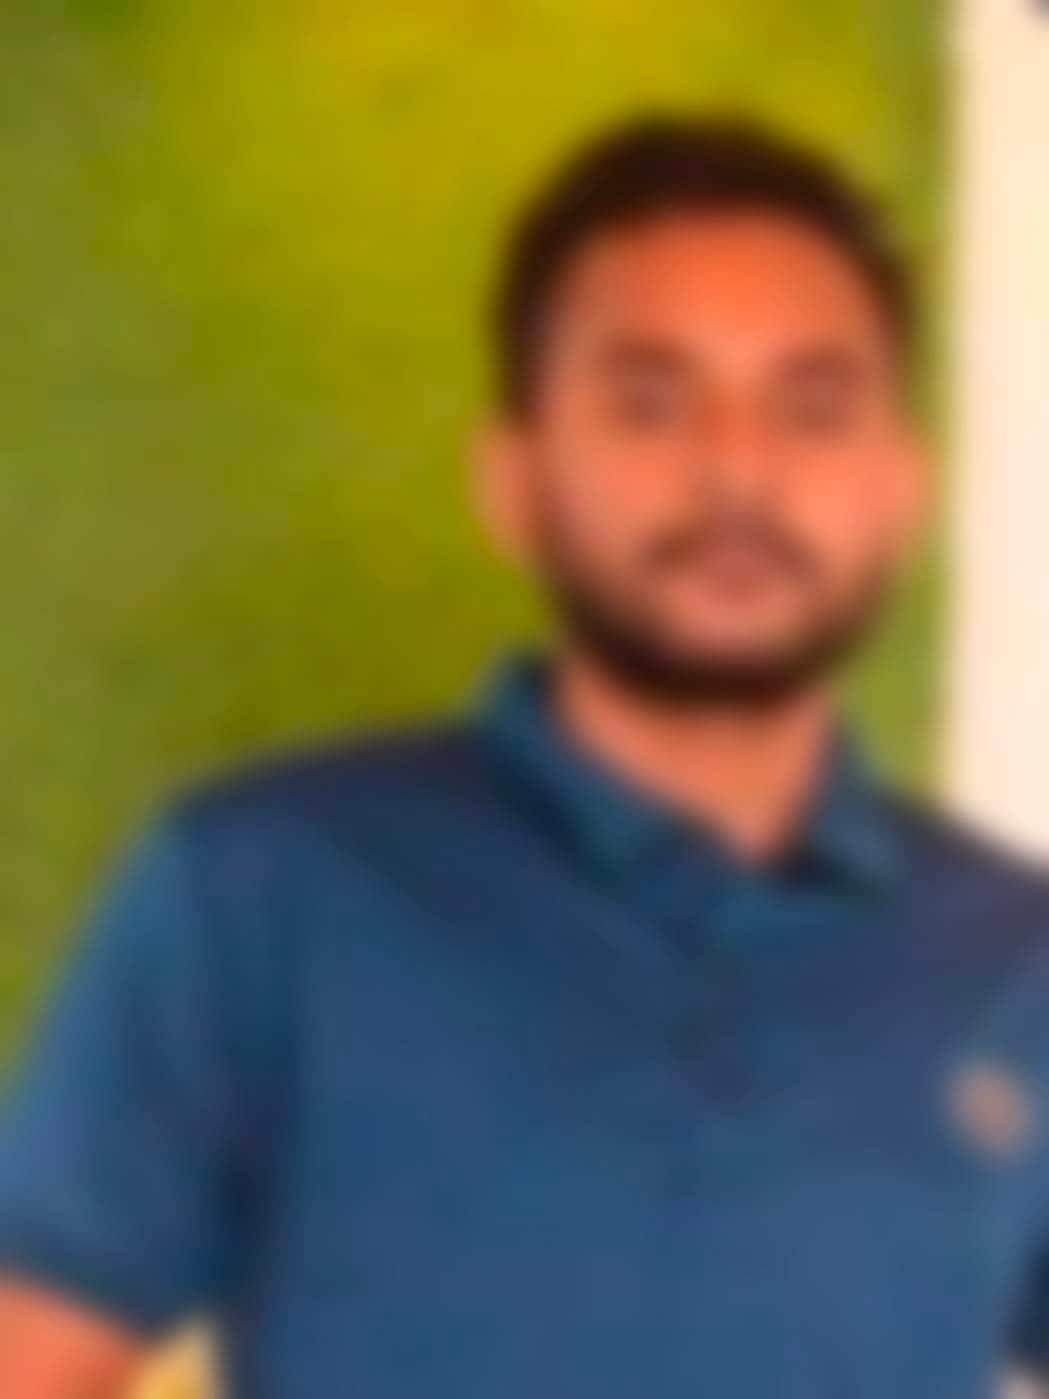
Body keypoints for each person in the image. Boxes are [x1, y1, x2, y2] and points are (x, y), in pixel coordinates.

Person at [1, 113, 1048, 1399]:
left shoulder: (1015, 958)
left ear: (900, 490)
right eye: (649, 403)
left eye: (811, 407)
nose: (737, 468)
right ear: (513, 481)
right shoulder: (257, 891)